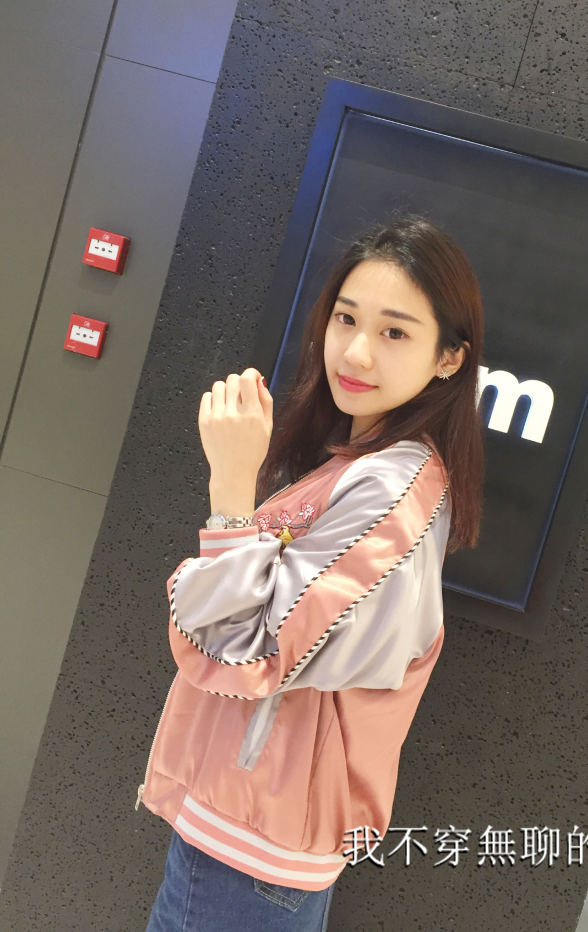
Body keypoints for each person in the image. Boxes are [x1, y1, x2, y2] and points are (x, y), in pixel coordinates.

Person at [139, 216, 485, 931]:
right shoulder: (363, 465)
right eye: (346, 318)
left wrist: (231, 490)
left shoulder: (393, 488)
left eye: (395, 332)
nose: (355, 350)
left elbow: (246, 647)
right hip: (244, 827)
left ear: (449, 358)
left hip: (253, 850)